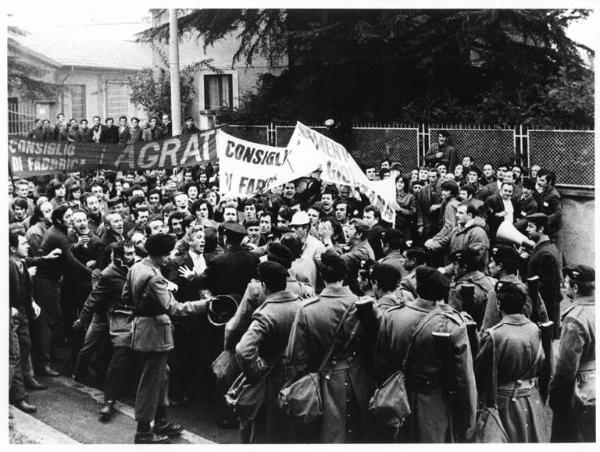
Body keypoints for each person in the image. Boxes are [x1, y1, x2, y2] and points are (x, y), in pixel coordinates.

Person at [121, 233, 211, 444]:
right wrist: (205, 304)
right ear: (160, 254)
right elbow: (174, 308)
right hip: (155, 332)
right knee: (151, 381)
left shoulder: (136, 268)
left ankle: (161, 421)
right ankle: (144, 431)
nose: (170, 257)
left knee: (163, 375)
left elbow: (126, 297)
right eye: (168, 253)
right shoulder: (156, 277)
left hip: (141, 328)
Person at [374, 266, 477, 442]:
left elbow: (381, 362)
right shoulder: (452, 324)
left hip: (396, 400)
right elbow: (464, 379)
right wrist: (468, 419)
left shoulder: (392, 316)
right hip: (434, 404)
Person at [287, 250, 376, 442]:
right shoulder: (365, 306)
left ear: (321, 276)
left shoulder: (308, 309)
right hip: (361, 379)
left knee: (328, 434)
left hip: (323, 380)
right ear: (345, 276)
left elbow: (295, 355)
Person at [235, 261, 303, 443]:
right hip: (298, 376)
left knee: (265, 430)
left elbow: (243, 350)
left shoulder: (265, 313)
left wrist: (254, 373)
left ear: (264, 285)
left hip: (272, 377)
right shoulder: (302, 305)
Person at [474, 281, 548, 442]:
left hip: (504, 403)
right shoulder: (536, 329)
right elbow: (543, 364)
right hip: (531, 399)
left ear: (499, 304)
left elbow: (480, 374)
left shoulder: (494, 335)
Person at [31, 204, 92, 376]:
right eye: (68, 216)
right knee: (46, 323)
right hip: (45, 282)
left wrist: (76, 246)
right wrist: (92, 274)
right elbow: (71, 261)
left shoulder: (58, 231)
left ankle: (47, 357)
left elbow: (64, 252)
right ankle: (43, 364)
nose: (72, 219)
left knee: (52, 321)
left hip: (51, 281)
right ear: (59, 220)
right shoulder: (58, 234)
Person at [549, 265, 595, 442]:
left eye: (567, 283)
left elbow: (566, 368)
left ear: (575, 288)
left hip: (581, 395)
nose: (565, 286)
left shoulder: (576, 318)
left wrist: (556, 398)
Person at [9, 230, 47, 392]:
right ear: (12, 248)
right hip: (13, 314)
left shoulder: (22, 262)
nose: (27, 246)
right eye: (23, 244)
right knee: (14, 354)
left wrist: (32, 302)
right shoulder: (9, 266)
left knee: (25, 345)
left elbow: (26, 288)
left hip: (22, 311)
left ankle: (28, 378)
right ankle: (18, 394)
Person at [481, 245, 548, 330]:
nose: (489, 265)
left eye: (492, 262)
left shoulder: (496, 292)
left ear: (500, 266)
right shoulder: (528, 288)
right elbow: (544, 319)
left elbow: (489, 325)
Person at [524, 213, 563, 338]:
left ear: (541, 229)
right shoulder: (546, 248)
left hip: (545, 312)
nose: (527, 230)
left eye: (530, 226)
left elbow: (546, 288)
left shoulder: (545, 253)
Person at [447, 248, 495, 329]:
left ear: (464, 267)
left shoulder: (458, 289)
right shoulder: (489, 281)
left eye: (455, 264)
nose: (453, 267)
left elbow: (454, 323)